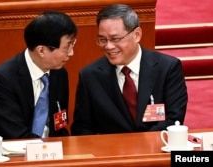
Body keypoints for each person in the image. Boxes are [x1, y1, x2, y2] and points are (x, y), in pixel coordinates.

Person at [71, 4, 187, 135]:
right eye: (102, 39)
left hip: (156, 149)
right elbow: (82, 129)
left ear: (137, 35)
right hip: (111, 152)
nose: (108, 46)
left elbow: (174, 120)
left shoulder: (167, 68)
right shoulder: (90, 76)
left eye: (115, 39)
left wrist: (139, 146)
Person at [0, 10, 77, 140]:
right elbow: (15, 134)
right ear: (41, 50)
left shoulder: (59, 73)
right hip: (4, 152)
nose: (71, 53)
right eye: (67, 47)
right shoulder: (3, 79)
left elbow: (59, 125)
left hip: (46, 151)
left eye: (73, 44)